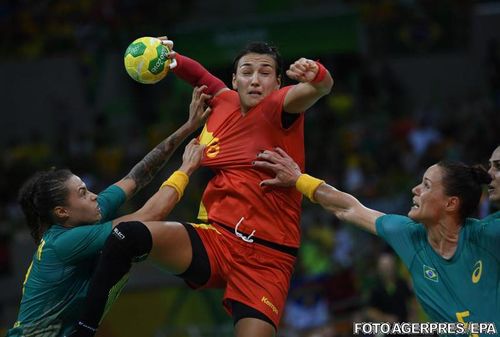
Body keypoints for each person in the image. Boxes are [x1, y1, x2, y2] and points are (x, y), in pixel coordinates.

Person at [71, 40, 333, 337]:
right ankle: (82, 331)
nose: (255, 80)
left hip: (267, 259)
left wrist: (317, 73)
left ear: (278, 82)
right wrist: (171, 58)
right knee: (126, 235)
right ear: (235, 80)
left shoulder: (281, 107)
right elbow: (199, 76)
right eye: (247, 72)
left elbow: (320, 88)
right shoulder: (223, 100)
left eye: (265, 72)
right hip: (216, 239)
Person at [6, 86, 211, 337]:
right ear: (62, 212)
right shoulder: (63, 242)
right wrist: (187, 169)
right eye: (82, 193)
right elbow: (149, 216)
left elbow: (137, 176)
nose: (94, 195)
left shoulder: (87, 215)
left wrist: (188, 127)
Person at [253, 148, 499, 332]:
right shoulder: (407, 234)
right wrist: (299, 180)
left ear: (450, 203)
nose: (415, 189)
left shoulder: (488, 236)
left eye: (425, 185)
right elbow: (348, 208)